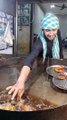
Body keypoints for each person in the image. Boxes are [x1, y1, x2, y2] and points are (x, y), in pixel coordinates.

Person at [6, 13, 63, 100]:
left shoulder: (58, 33)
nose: (51, 34)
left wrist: (61, 60)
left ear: (57, 29)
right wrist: (20, 81)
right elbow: (30, 59)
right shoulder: (39, 42)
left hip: (53, 57)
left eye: (54, 30)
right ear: (43, 30)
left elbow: (60, 47)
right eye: (47, 30)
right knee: (42, 76)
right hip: (41, 59)